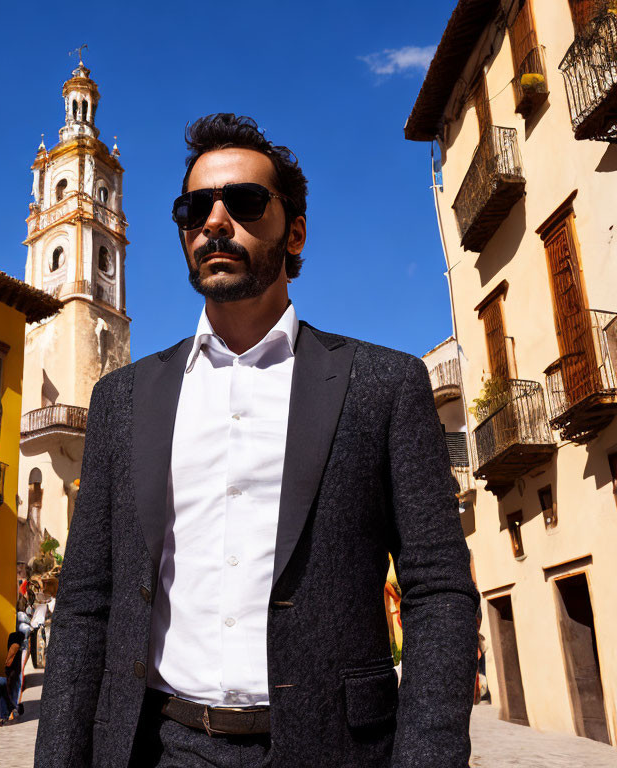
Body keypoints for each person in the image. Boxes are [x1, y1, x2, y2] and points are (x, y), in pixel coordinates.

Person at [35, 113, 479, 767]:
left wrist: (426, 757)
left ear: (294, 230)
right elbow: (84, 605)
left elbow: (438, 589)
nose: (215, 221)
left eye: (243, 202)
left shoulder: (385, 385)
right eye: (194, 208)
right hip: (157, 749)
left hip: (334, 749)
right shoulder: (122, 400)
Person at [0, 631, 25, 726]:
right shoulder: (17, 647)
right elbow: (11, 659)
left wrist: (7, 666)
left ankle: (5, 715)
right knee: (6, 693)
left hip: (10, 676)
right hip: (13, 676)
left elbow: (9, 662)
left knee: (0, 690)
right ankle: (10, 711)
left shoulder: (14, 646)